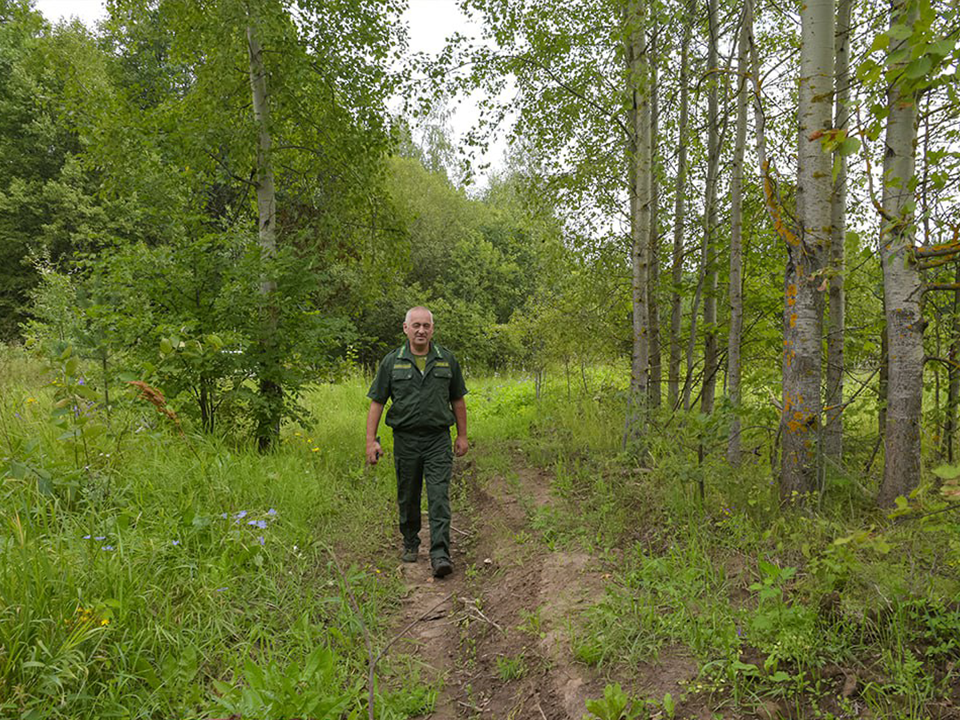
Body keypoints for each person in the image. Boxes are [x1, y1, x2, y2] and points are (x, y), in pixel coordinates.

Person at [365, 306, 469, 578]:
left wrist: (462, 435)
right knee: (408, 495)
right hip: (406, 440)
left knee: (438, 497)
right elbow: (377, 402)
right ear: (406, 328)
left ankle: (440, 554)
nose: (421, 330)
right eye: (416, 325)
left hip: (437, 440)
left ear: (432, 329)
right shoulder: (392, 362)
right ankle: (411, 541)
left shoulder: (446, 360)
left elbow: (458, 399)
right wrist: (370, 441)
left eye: (426, 325)